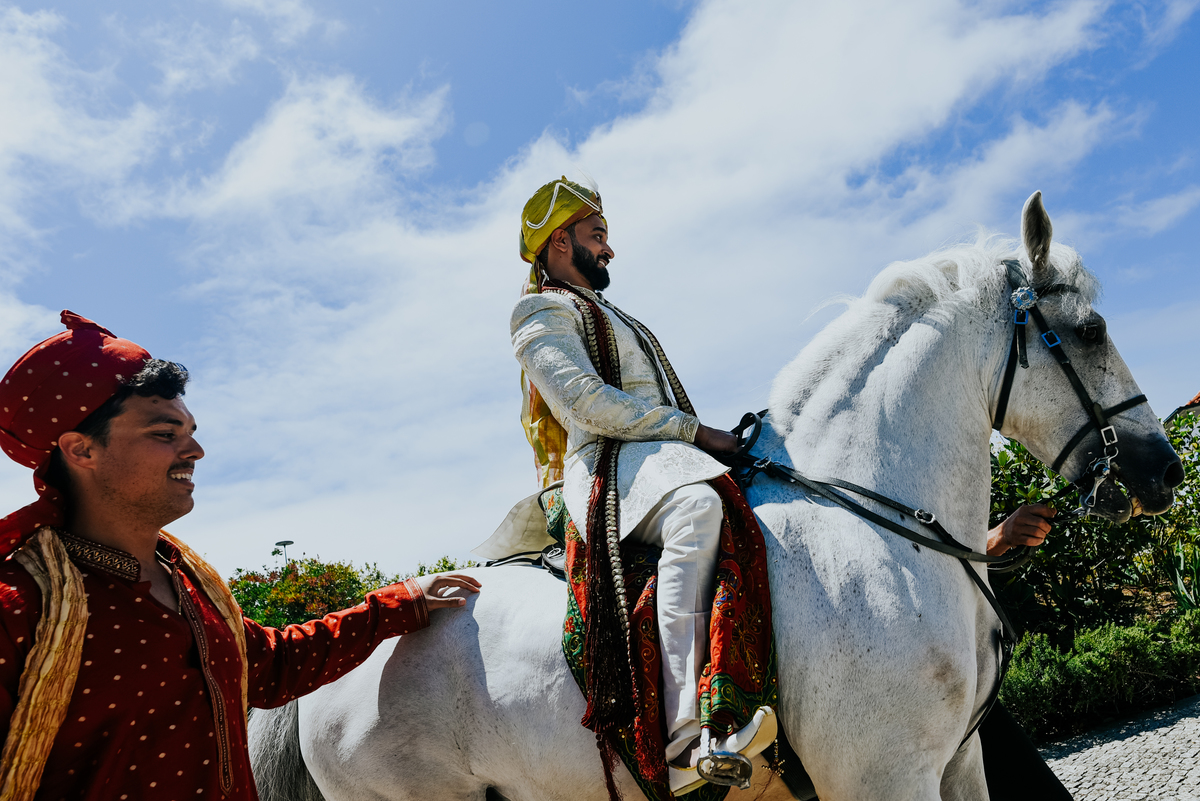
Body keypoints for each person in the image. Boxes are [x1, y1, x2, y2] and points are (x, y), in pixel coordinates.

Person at [0, 311, 481, 800]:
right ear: (81, 451)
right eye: (166, 435)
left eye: (189, 430)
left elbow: (270, 668)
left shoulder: (189, 583)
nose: (196, 450)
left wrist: (400, 605)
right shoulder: (19, 605)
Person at [510, 178, 769, 794]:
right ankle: (685, 734)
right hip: (607, 465)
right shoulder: (538, 312)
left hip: (658, 457)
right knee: (697, 510)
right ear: (559, 243)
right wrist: (694, 432)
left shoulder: (614, 314)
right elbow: (583, 404)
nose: (609, 250)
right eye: (597, 236)